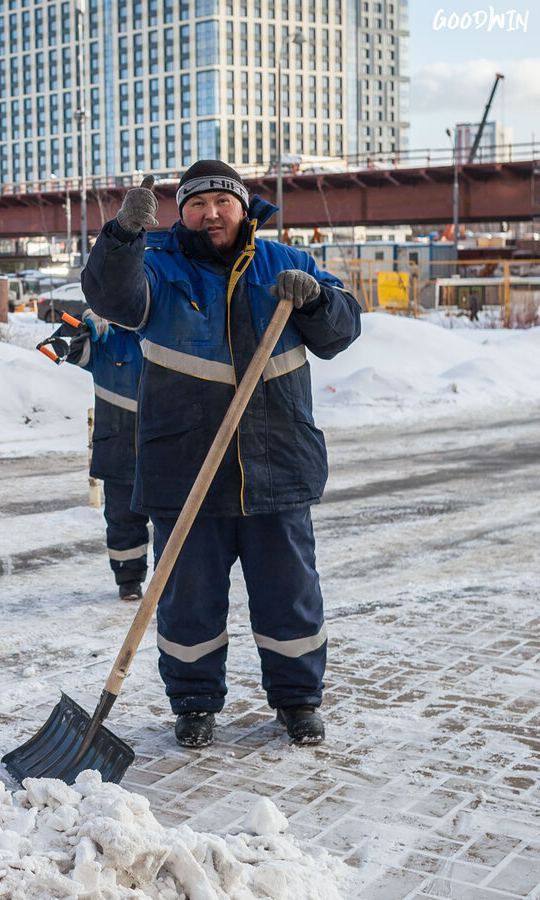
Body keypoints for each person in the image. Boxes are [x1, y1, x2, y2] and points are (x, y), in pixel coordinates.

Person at [82, 160, 362, 748]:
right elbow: (111, 295)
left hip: (275, 467)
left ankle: (297, 701)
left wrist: (314, 303)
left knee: (290, 597)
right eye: (196, 203)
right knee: (188, 604)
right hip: (184, 470)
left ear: (243, 206)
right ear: (180, 212)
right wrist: (124, 235)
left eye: (222, 201)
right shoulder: (156, 267)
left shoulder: (287, 263)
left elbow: (341, 331)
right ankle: (194, 703)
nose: (211, 213)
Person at [64, 311, 150, 601]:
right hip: (119, 448)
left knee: (174, 522)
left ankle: (178, 579)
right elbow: (60, 345)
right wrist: (84, 319)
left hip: (167, 450)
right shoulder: (106, 340)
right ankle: (129, 579)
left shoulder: (165, 334)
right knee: (122, 519)